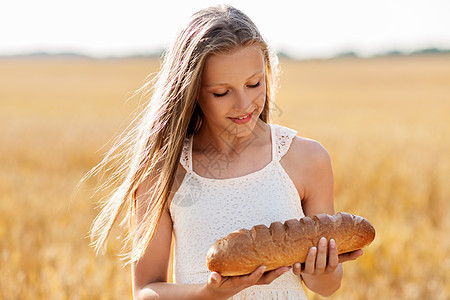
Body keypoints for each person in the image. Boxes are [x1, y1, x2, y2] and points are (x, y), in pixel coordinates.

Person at [88, 5, 363, 300]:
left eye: (254, 83)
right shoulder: (164, 173)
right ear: (190, 91)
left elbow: (326, 286)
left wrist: (321, 271)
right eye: (222, 92)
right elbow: (145, 290)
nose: (244, 104)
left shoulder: (307, 159)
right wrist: (211, 293)